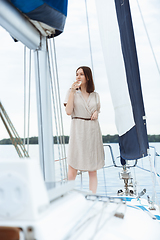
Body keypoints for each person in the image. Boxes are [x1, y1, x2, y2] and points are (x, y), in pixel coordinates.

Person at [64, 66, 104, 193]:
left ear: (87, 77)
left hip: (92, 131)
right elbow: (68, 111)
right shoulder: (72, 93)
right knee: (73, 166)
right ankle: (68, 195)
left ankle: (93, 196)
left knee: (92, 169)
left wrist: (97, 112)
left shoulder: (96, 95)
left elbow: (97, 109)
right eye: (77, 74)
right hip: (78, 129)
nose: (78, 77)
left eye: (81, 74)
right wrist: (72, 91)